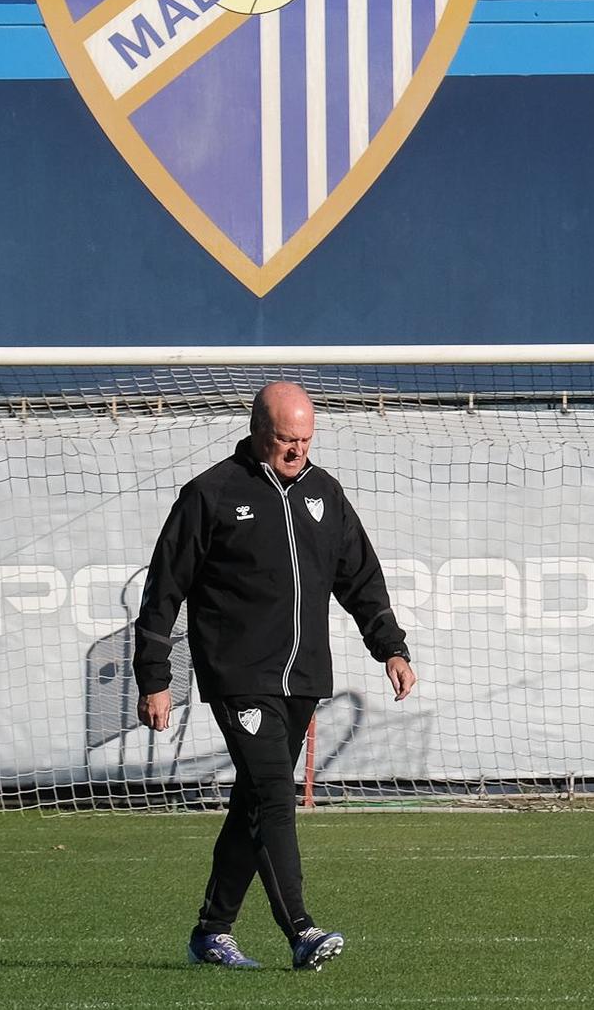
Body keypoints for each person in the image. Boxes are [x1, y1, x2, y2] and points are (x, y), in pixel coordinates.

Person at [134, 380, 416, 971]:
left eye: (307, 440)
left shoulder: (324, 493)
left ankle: (212, 932)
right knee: (275, 795)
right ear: (259, 432)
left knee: (255, 803)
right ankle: (301, 931)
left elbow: (359, 577)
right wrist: (153, 677)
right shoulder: (211, 493)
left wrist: (390, 647)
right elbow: (164, 589)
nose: (298, 452)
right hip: (238, 676)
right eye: (287, 440)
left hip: (304, 678)